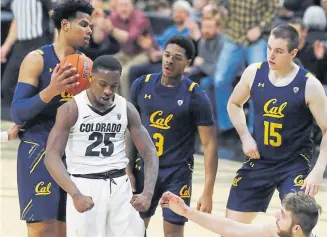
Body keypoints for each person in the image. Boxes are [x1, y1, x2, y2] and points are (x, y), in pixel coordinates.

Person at [45, 55, 159, 237]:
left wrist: (148, 193)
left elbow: (149, 151)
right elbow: (51, 155)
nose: (108, 90)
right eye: (102, 84)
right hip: (84, 185)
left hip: (119, 184)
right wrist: (75, 194)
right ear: (90, 78)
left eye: (113, 86)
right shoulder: (71, 109)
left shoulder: (126, 108)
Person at [225, 24, 327, 224]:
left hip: (294, 165)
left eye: (278, 51)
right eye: (269, 48)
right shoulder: (254, 72)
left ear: (293, 53)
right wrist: (245, 136)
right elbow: (234, 103)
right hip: (260, 160)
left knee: (296, 225)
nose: (271, 55)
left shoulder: (309, 84)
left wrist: (318, 170)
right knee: (231, 228)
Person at [9, 1, 94, 236]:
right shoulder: (37, 59)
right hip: (39, 150)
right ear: (65, 25)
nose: (89, 30)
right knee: (41, 229)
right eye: (84, 24)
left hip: (73, 153)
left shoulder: (87, 66)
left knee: (63, 230)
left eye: (91, 26)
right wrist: (51, 90)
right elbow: (17, 112)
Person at [130, 35, 218, 237]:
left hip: (177, 174)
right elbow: (130, 130)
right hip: (143, 170)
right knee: (133, 230)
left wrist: (207, 191)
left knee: (173, 234)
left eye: (177, 57)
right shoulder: (141, 85)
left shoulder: (196, 96)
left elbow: (210, 144)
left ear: (187, 63)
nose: (169, 60)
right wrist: (127, 168)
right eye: (167, 55)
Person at [160, 191, 321, 237]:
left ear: (297, 229)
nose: (275, 216)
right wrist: (185, 211)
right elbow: (230, 228)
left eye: (283, 215)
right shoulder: (275, 231)